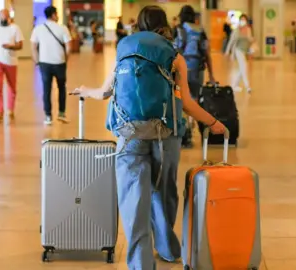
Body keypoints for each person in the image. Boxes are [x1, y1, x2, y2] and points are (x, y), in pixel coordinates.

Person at [71, 5, 226, 269]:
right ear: (164, 24)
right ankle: (167, 248)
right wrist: (213, 122)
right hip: (166, 135)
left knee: (134, 200)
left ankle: (140, 264)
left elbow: (105, 92)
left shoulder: (124, 49)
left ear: (138, 25)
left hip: (130, 135)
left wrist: (86, 90)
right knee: (163, 194)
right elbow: (186, 102)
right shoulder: (173, 55)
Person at [174, 5, 216, 148]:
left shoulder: (178, 30)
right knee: (194, 100)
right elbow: (207, 54)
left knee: (180, 99)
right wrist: (211, 75)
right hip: (198, 69)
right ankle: (191, 126)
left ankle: (184, 131)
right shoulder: (200, 31)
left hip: (181, 70)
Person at [31, 6, 72, 125]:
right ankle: (61, 113)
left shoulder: (38, 29)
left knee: (46, 89)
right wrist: (65, 60)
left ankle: (48, 116)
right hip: (60, 63)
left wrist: (37, 62)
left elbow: (33, 47)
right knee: (62, 88)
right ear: (54, 15)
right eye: (57, 14)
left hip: (44, 64)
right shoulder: (62, 28)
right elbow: (69, 47)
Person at [0, 9, 24, 124]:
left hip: (11, 61)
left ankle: (10, 110)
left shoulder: (15, 28)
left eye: (6, 17)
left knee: (12, 87)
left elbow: (20, 45)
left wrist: (11, 47)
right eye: (2, 17)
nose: (4, 19)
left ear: (9, 17)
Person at [225, 13, 255, 93]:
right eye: (241, 20)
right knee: (244, 66)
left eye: (244, 20)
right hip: (238, 50)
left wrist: (251, 46)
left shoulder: (248, 29)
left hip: (245, 50)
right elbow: (231, 41)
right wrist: (227, 51)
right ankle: (248, 87)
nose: (243, 21)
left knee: (242, 68)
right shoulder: (236, 30)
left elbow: (249, 40)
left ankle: (234, 85)